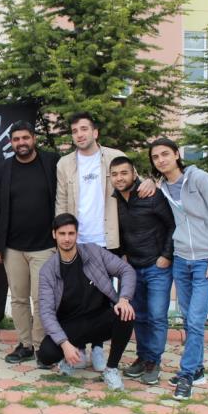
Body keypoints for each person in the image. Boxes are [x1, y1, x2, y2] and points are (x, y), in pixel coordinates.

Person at [55, 112, 153, 371]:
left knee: (103, 296)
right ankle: (79, 346)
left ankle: (98, 347)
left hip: (108, 239)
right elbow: (61, 202)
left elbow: (134, 183)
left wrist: (152, 182)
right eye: (74, 131)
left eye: (84, 129)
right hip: (78, 241)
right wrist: (62, 237)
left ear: (95, 132)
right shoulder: (64, 164)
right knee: (76, 297)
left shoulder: (113, 156)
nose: (79, 134)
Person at [148, 137, 208, 400]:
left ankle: (186, 375)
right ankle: (198, 370)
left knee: (195, 320)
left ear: (176, 154)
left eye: (165, 154)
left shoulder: (199, 179)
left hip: (205, 260)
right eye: (155, 157)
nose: (161, 160)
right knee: (188, 319)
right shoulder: (162, 187)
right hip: (181, 259)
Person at [36, 213, 136, 390]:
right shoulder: (48, 270)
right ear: (54, 234)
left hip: (99, 319)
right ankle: (71, 354)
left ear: (77, 234)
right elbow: (46, 312)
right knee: (46, 354)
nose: (67, 239)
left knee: (125, 314)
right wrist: (65, 344)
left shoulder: (93, 252)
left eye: (71, 233)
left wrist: (124, 299)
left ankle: (111, 369)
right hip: (70, 325)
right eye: (62, 234)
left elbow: (126, 270)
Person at [0, 121, 59, 365]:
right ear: (11, 142)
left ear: (34, 139)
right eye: (16, 139)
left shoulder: (51, 162)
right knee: (18, 298)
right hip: (13, 248)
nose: (21, 143)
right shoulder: (4, 169)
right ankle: (25, 345)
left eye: (25, 138)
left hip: (45, 246)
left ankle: (41, 347)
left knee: (41, 299)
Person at [110, 156, 175, 385]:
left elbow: (172, 225)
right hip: (132, 269)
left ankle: (153, 362)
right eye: (114, 174)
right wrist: (122, 255)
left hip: (157, 267)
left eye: (124, 173)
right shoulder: (114, 200)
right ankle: (143, 356)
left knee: (156, 316)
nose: (119, 178)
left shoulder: (151, 195)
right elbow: (116, 231)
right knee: (137, 316)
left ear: (134, 173)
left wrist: (166, 256)